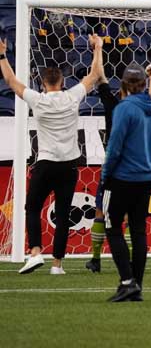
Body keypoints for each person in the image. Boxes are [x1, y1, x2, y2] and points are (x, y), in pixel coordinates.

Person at [3, 35, 102, 275]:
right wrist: (97, 48)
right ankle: (57, 265)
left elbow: (11, 81)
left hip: (46, 163)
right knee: (64, 213)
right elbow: (95, 75)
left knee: (33, 207)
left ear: (43, 83)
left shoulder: (38, 100)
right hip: (68, 165)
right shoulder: (72, 97)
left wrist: (2, 55)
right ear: (63, 81)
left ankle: (36, 252)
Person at [102, 63, 151, 302]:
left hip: (123, 177)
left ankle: (127, 281)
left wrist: (106, 174)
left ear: (124, 85)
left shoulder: (125, 109)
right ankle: (136, 284)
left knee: (112, 226)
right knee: (138, 230)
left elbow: (114, 146)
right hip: (146, 176)